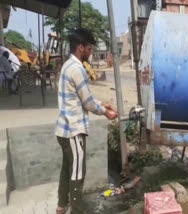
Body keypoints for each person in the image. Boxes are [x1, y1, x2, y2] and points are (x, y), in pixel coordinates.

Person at [55, 28, 118, 214]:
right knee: (77, 172)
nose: (91, 53)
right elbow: (88, 103)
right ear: (81, 47)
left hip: (64, 129)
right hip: (73, 130)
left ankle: (61, 206)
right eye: (90, 49)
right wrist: (105, 112)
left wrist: (102, 104)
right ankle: (77, 210)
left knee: (67, 169)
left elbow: (82, 99)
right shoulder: (77, 69)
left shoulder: (67, 65)